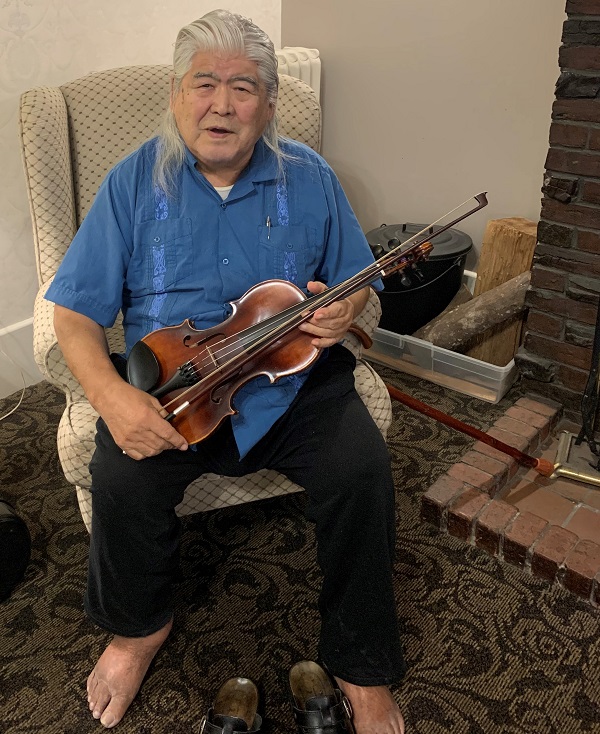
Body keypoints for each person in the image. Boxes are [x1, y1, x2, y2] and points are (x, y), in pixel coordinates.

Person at [46, 9, 406, 733]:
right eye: (204, 83)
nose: (222, 103)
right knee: (120, 476)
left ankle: (361, 664)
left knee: (362, 473)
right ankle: (138, 630)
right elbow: (73, 314)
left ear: (269, 104)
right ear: (177, 95)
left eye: (243, 87)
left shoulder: (310, 177)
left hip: (293, 385)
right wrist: (112, 397)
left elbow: (359, 281)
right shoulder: (131, 183)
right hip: (177, 392)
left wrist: (349, 307)